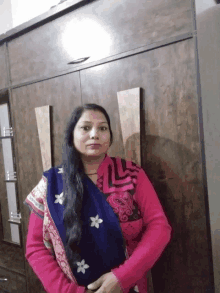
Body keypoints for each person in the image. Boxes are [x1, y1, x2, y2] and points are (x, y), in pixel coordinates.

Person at [24, 103, 172, 293]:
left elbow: (159, 227)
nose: (95, 134)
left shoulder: (131, 174)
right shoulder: (51, 183)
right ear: (71, 135)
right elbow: (35, 246)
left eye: (102, 128)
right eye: (85, 128)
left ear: (110, 136)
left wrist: (122, 278)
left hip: (129, 286)